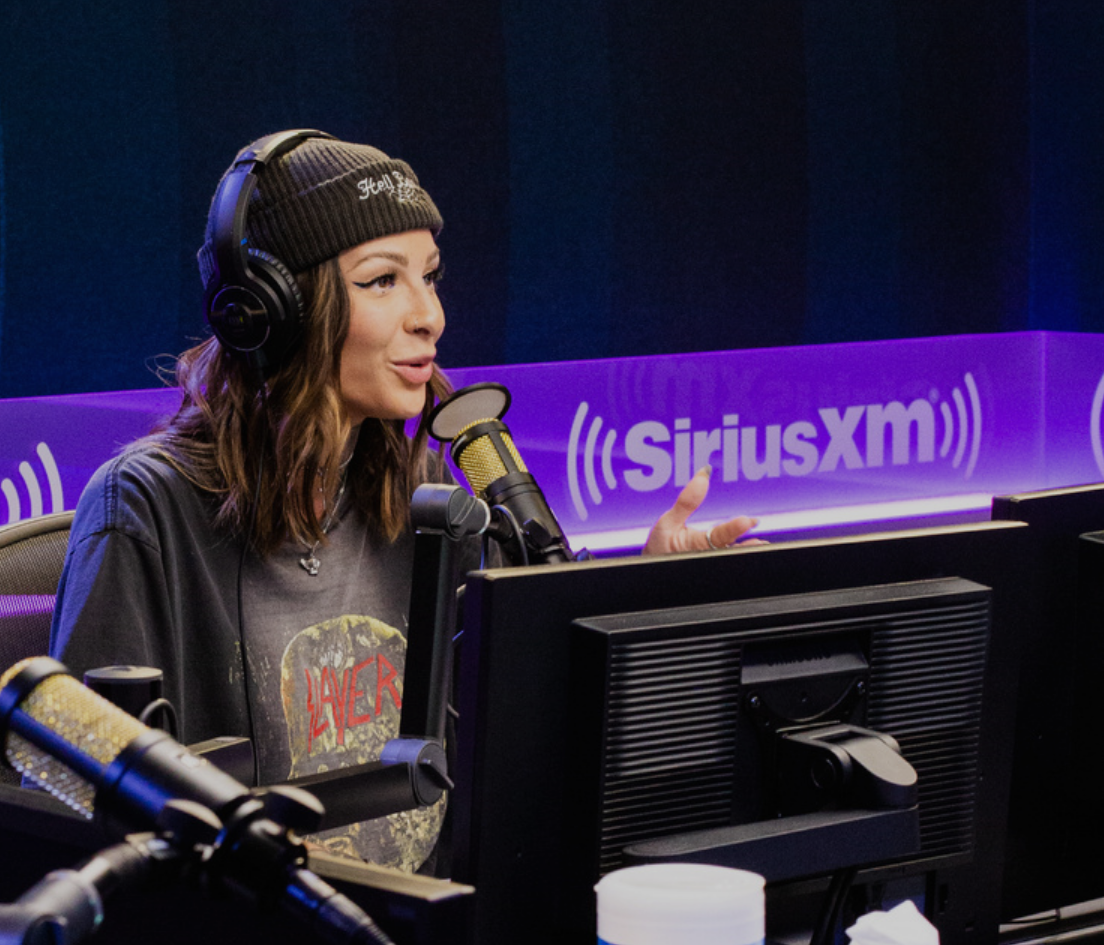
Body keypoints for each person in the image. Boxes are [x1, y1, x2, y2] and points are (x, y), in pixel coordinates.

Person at [50, 130, 756, 873]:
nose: (431, 316)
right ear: (269, 311)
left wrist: (649, 598)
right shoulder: (146, 507)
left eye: (431, 276)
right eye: (383, 280)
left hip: (433, 913)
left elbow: (545, 732)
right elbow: (82, 809)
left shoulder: (431, 500)